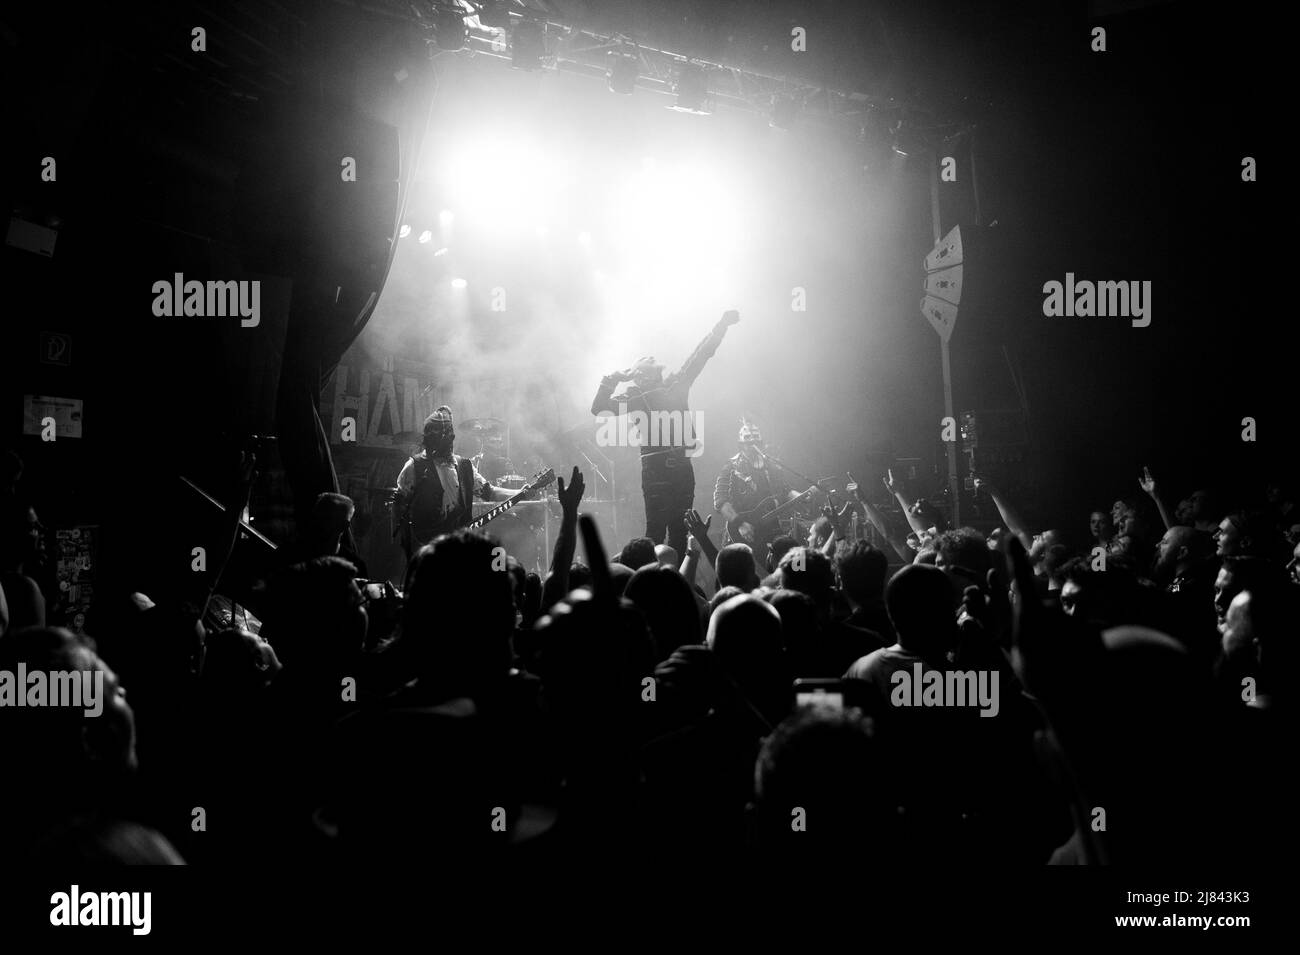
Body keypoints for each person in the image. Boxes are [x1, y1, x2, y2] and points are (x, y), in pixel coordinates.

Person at [591, 310, 739, 555]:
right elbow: (599, 409)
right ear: (646, 376)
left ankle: (672, 581)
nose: (658, 375)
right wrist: (613, 377)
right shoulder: (640, 396)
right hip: (659, 469)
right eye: (654, 373)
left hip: (677, 468)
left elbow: (701, 355)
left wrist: (721, 326)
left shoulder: (669, 387)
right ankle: (654, 581)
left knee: (676, 531)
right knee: (658, 532)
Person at [393, 406, 522, 561]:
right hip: (426, 549)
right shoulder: (415, 466)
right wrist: (407, 545)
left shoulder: (464, 466)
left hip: (460, 548)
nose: (443, 442)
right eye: (438, 437)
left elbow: (489, 492)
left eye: (447, 436)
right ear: (428, 439)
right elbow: (399, 504)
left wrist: (521, 492)